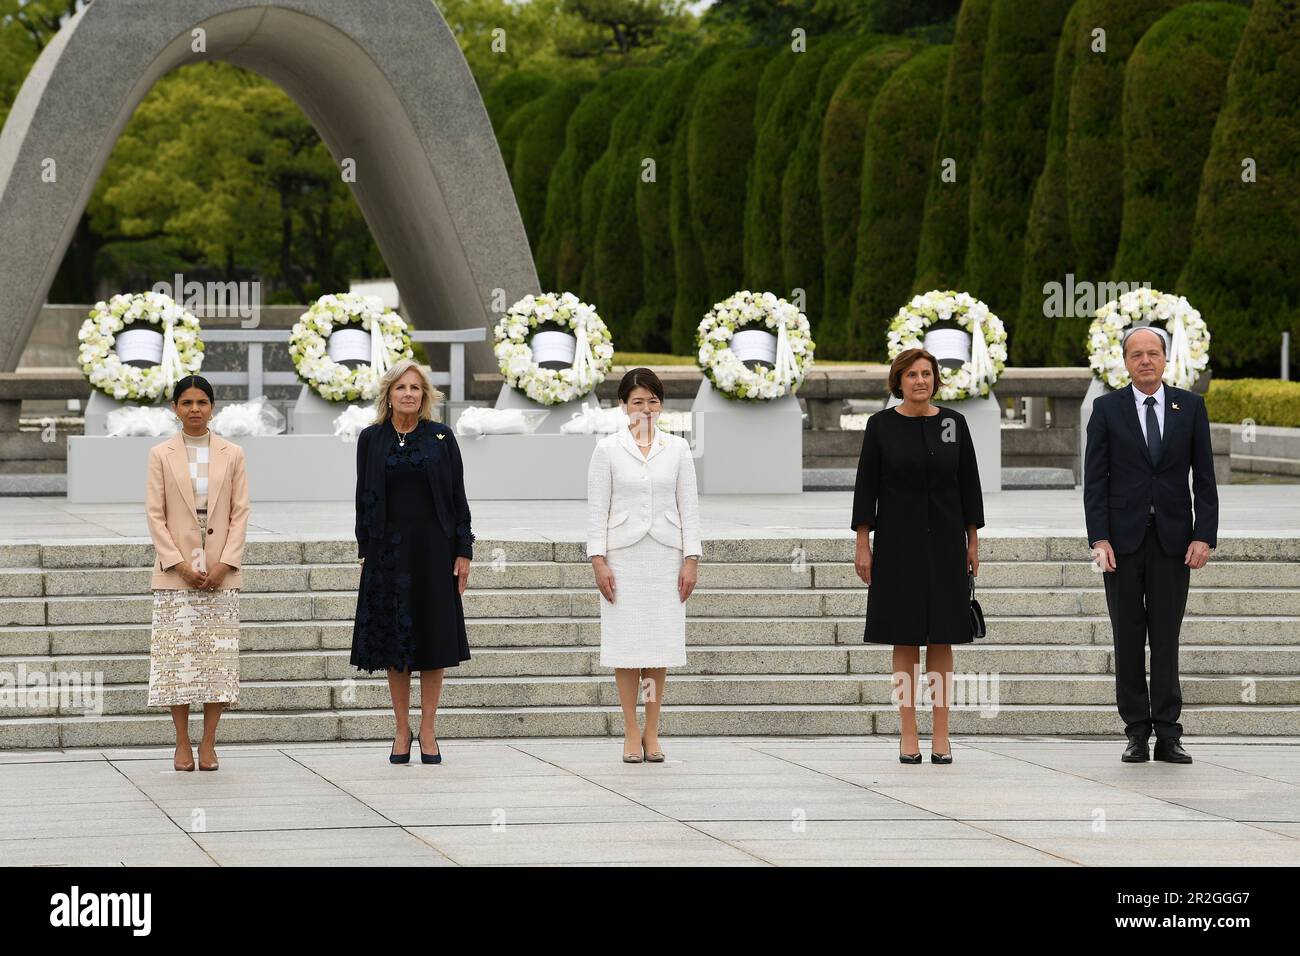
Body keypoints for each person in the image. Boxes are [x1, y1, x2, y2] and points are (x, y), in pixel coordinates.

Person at [1084, 325, 1218, 764]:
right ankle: (1136, 731)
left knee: (1166, 636)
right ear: (1125, 362)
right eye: (1136, 355)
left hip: (1174, 541)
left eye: (1153, 353)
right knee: (1127, 636)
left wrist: (1204, 535)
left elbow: (1206, 478)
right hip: (1121, 543)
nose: (1145, 361)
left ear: (1165, 359)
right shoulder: (1107, 410)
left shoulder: (1190, 407)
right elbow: (1095, 482)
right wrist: (1098, 538)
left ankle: (1169, 732)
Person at [851, 349, 983, 765]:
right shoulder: (881, 426)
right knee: (905, 636)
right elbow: (866, 487)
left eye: (927, 374)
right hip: (897, 546)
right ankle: (908, 734)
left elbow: (969, 485)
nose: (920, 381)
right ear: (899, 381)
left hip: (946, 544)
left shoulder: (953, 424)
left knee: (942, 635)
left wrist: (972, 541)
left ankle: (941, 736)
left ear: (935, 379)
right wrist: (862, 542)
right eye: (912, 375)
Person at [351, 359, 473, 765]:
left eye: (415, 388)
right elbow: (363, 497)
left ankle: (429, 730)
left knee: (434, 642)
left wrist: (463, 549)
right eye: (401, 387)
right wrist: (366, 549)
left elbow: (457, 497)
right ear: (388, 394)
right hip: (388, 553)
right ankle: (402, 729)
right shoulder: (371, 439)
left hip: (434, 551)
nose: (408, 393)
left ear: (425, 396)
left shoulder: (441, 437)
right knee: (395, 643)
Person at [587, 368, 701, 763]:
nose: (646, 408)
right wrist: (598, 560)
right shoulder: (607, 450)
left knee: (657, 649)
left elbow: (690, 507)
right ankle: (630, 731)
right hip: (623, 556)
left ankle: (653, 732)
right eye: (638, 401)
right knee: (626, 648)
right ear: (623, 406)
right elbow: (596, 510)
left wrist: (691, 558)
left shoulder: (678, 448)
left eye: (653, 401)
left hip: (666, 556)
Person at [145, 375, 250, 772]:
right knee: (177, 660)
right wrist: (179, 565)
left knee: (216, 661)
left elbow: (241, 512)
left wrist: (225, 562)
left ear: (213, 407)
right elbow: (155, 514)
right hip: (176, 572)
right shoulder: (161, 454)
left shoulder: (233, 453)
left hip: (221, 570)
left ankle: (208, 742)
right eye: (186, 402)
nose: (194, 409)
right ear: (175, 408)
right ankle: (181, 742)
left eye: (202, 402)